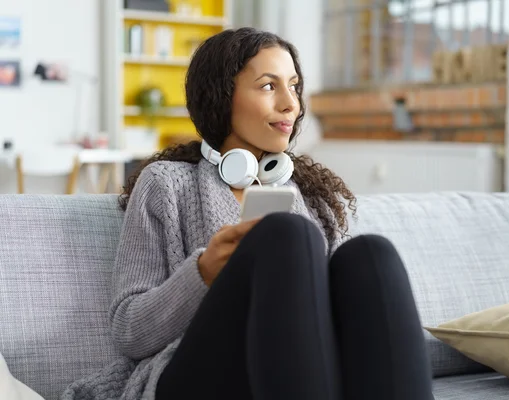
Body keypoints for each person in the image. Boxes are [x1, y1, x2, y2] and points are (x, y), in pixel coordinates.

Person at [61, 27, 434, 400]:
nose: (292, 104)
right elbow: (130, 330)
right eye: (269, 86)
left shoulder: (308, 195)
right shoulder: (167, 184)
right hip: (194, 375)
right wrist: (203, 272)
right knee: (287, 234)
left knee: (372, 254)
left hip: (295, 366)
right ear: (222, 96)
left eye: (294, 86)